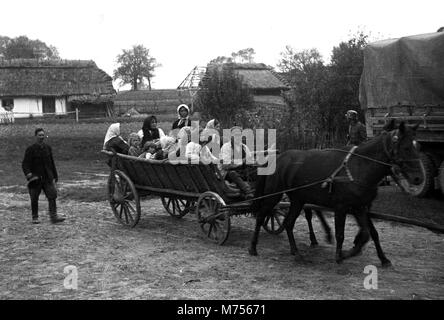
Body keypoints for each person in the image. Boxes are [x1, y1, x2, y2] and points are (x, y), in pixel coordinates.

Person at [22, 128, 65, 224]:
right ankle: (35, 217)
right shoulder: (31, 149)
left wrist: (55, 175)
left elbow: (51, 162)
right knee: (34, 198)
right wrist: (29, 175)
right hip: (35, 178)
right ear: (36, 136)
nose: (42, 137)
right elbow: (25, 164)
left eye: (43, 135)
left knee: (52, 195)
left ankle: (53, 217)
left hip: (47, 178)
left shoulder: (48, 148)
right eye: (39, 135)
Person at [219, 126, 254, 199]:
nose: (238, 136)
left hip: (242, 171)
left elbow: (250, 160)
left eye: (239, 134)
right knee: (233, 173)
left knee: (257, 171)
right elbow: (225, 165)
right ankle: (248, 192)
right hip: (227, 173)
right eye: (235, 135)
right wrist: (242, 161)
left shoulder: (244, 147)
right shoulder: (226, 147)